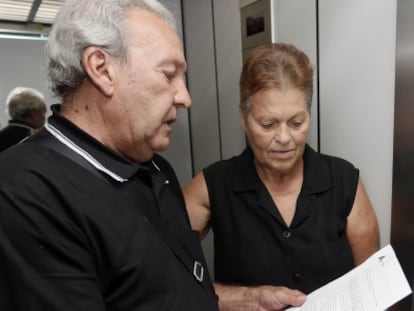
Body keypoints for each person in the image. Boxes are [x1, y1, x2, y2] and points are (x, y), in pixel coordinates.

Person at [0, 1, 225, 310]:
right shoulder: (23, 193)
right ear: (102, 69)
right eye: (169, 74)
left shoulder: (158, 168)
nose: (184, 97)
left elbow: (168, 290)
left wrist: (245, 299)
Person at [183, 43, 380, 310]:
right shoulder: (211, 187)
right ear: (244, 117)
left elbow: (373, 288)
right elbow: (164, 279)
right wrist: (245, 299)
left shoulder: (345, 182)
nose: (285, 138)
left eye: (297, 123)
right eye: (268, 124)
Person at [0, 86, 47, 151]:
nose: (44, 118)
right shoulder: (34, 139)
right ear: (33, 114)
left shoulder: (2, 135)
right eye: (43, 113)